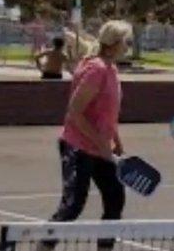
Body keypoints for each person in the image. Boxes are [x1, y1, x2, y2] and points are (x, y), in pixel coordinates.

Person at [37, 20, 133, 251]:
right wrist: (102, 143)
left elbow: (106, 111)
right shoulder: (96, 69)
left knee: (114, 199)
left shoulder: (111, 68)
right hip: (77, 147)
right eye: (127, 41)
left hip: (101, 149)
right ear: (114, 44)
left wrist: (115, 140)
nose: (129, 46)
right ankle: (43, 247)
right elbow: (75, 112)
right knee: (73, 205)